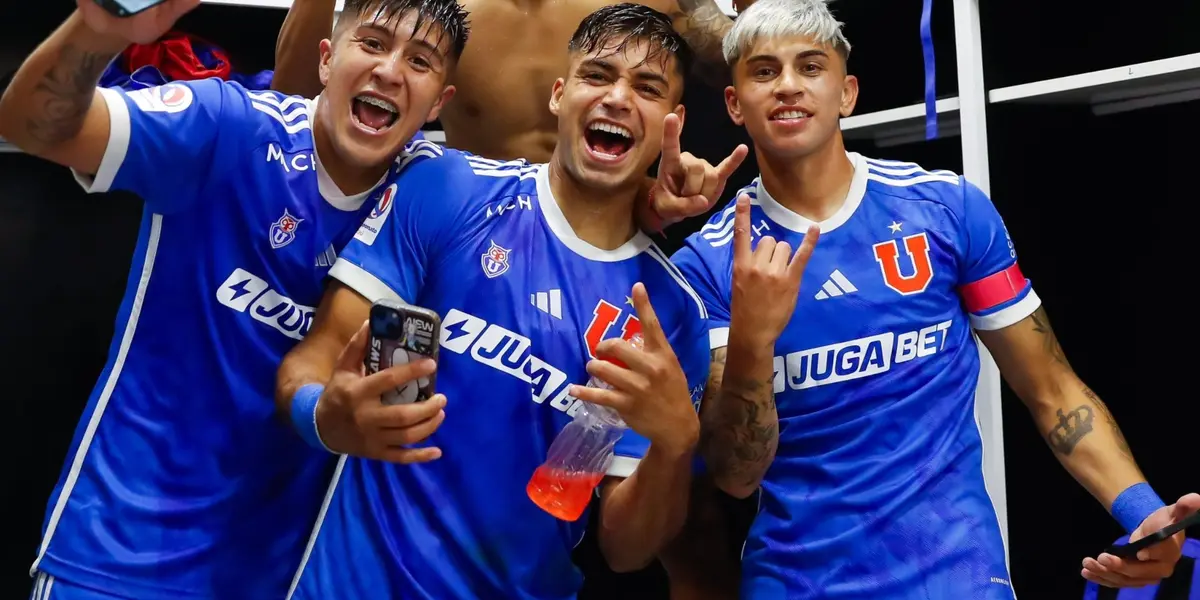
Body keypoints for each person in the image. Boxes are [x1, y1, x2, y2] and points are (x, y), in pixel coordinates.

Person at [669, 0, 1200, 597]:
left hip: (958, 579)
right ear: (735, 104)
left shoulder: (947, 210)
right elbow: (737, 477)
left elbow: (1052, 391)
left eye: (810, 67)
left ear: (846, 93)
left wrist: (1141, 511)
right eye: (764, 71)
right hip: (797, 585)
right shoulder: (707, 263)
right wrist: (754, 340)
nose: (789, 86)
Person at [274, 5, 745, 598]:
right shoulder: (443, 189)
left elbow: (625, 551)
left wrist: (675, 445)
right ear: (558, 94)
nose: (618, 99)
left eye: (646, 88)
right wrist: (327, 416)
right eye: (597, 76)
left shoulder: (669, 313)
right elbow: (311, 360)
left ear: (673, 122)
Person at [0, 0, 468, 597]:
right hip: (119, 558)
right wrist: (97, 32)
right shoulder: (229, 127)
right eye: (373, 44)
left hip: (276, 577)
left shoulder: (432, 195)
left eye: (420, 61)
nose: (391, 71)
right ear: (326, 61)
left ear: (438, 106)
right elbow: (33, 125)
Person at [273, 0, 739, 165]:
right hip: (472, 234)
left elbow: (747, 66)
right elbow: (293, 105)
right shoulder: (440, 6)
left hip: (615, 233)